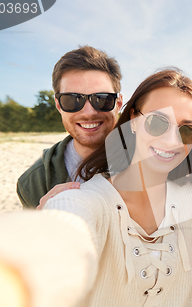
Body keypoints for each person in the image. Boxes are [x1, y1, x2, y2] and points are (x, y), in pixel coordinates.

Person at [0, 69, 192, 307]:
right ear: (132, 119)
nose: (171, 140)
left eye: (186, 131)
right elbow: (65, 232)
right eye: (157, 122)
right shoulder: (91, 199)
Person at [17, 45, 123, 208]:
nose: (88, 112)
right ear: (59, 105)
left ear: (118, 103)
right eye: (72, 100)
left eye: (102, 99)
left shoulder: (151, 161)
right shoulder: (33, 182)